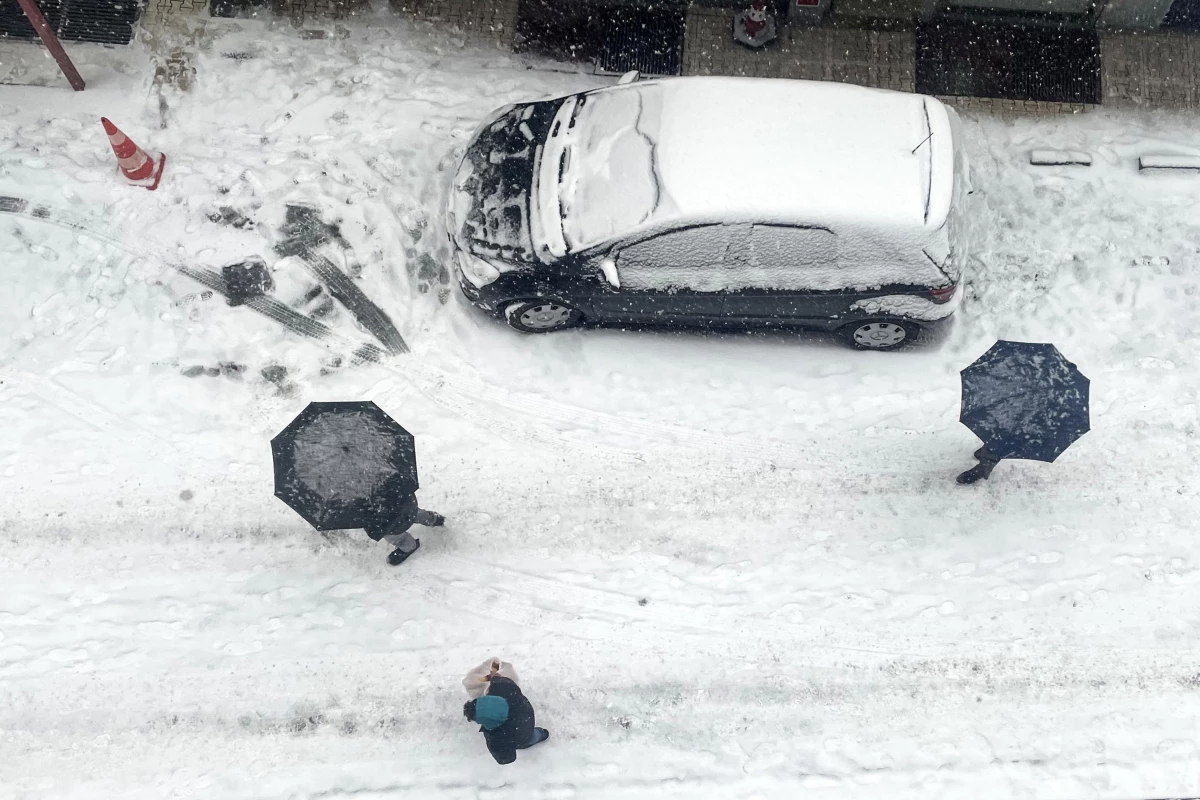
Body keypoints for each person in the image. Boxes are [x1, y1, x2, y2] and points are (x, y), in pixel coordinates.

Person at [463, 674, 549, 765]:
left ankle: (540, 735)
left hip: (523, 734)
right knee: (534, 733)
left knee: (529, 738)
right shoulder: (501, 687)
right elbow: (499, 678)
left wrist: (489, 734)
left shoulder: (495, 738)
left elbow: (507, 759)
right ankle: (543, 733)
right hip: (526, 709)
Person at [363, 493, 444, 565]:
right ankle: (433, 519)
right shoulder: (389, 479)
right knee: (413, 513)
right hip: (404, 503)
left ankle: (409, 546)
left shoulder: (358, 499)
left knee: (398, 537)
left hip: (386, 525)